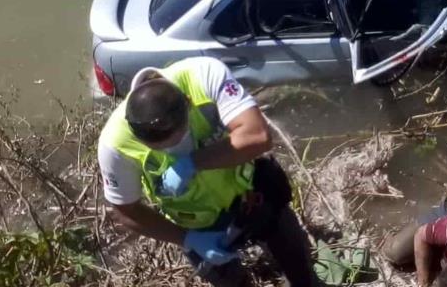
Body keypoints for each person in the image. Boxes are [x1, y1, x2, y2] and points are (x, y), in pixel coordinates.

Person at [97, 57, 316, 287]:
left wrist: (191, 163)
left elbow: (257, 136)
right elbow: (125, 210)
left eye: (179, 138)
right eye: (162, 147)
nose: (173, 149)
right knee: (231, 282)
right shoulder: (114, 145)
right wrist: (188, 239)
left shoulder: (203, 75)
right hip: (200, 227)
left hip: (252, 194)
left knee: (299, 267)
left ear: (188, 103)